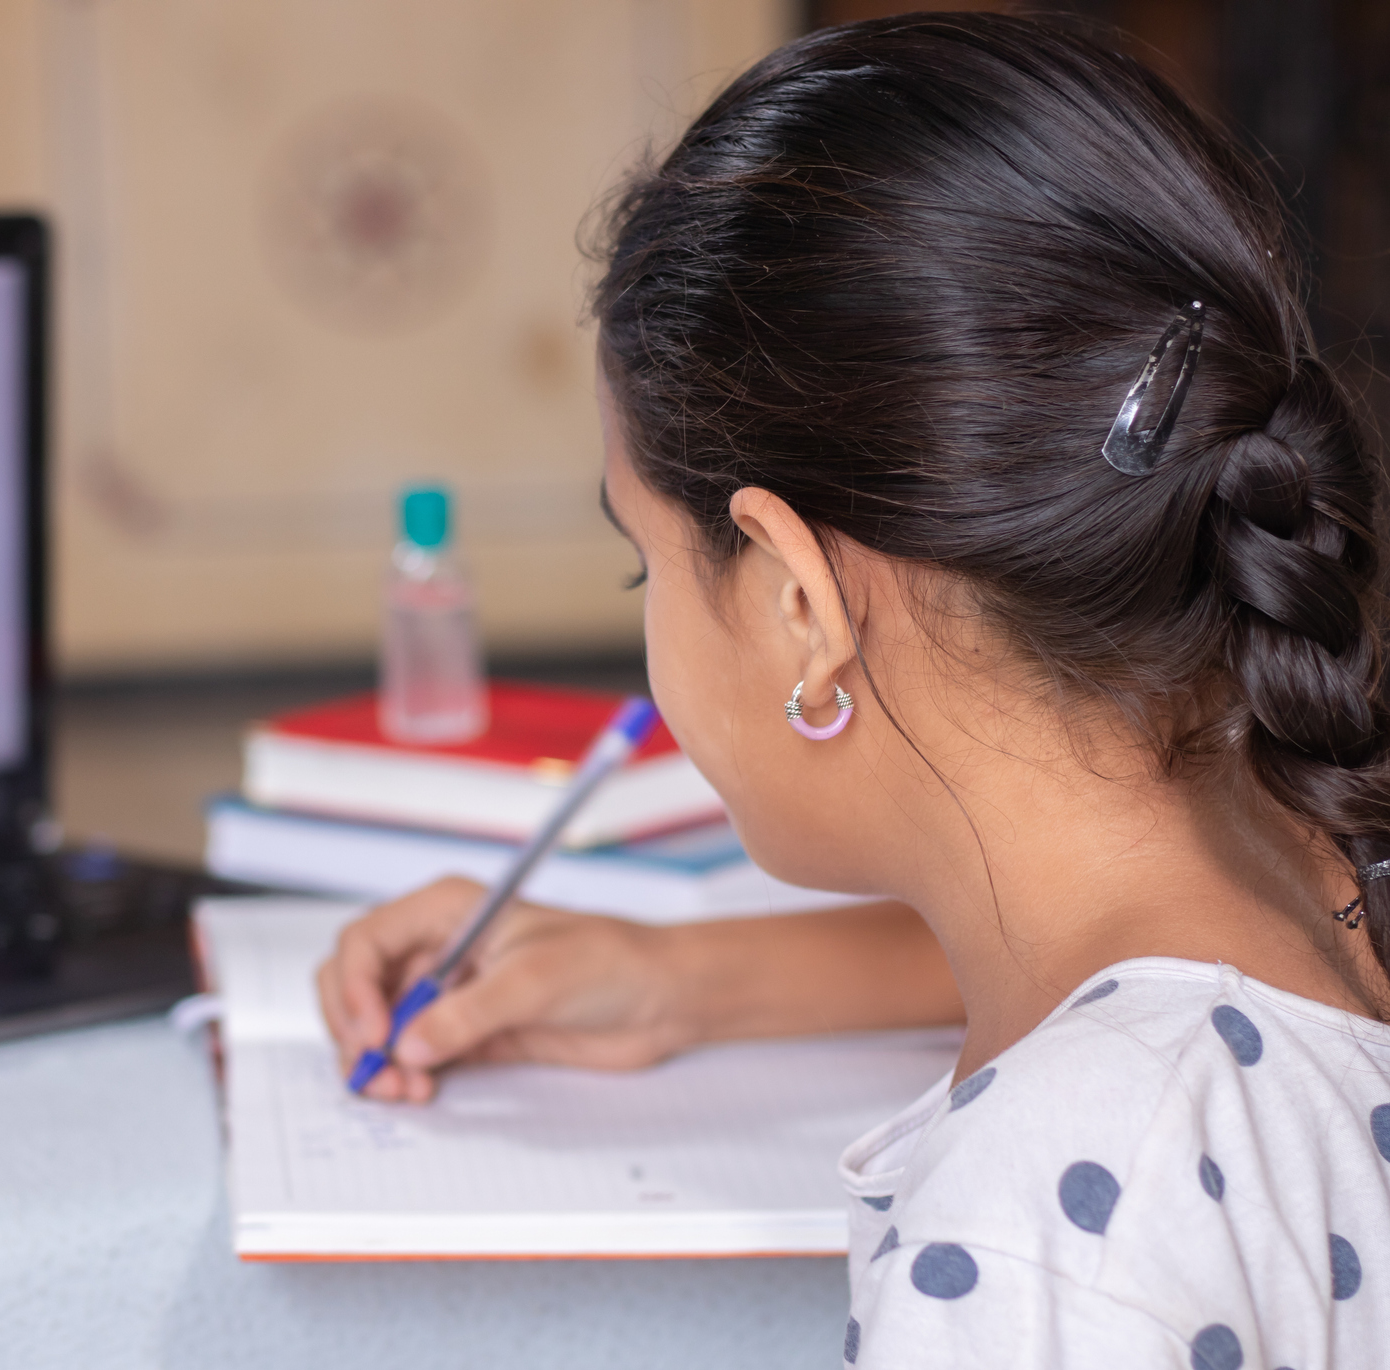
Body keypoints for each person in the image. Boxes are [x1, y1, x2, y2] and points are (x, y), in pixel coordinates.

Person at [317, 15, 1389, 1366]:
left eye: (644, 566)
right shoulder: (1327, 854)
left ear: (795, 599)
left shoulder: (1036, 1245)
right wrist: (681, 978)